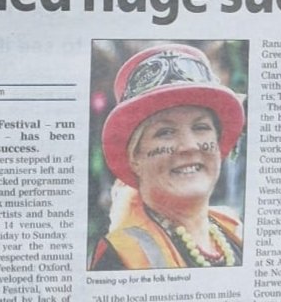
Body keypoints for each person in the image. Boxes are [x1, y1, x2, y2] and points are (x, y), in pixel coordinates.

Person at [91, 44, 244, 270]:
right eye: (165, 132)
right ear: (135, 157)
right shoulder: (123, 256)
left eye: (201, 127)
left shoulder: (234, 232)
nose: (189, 146)